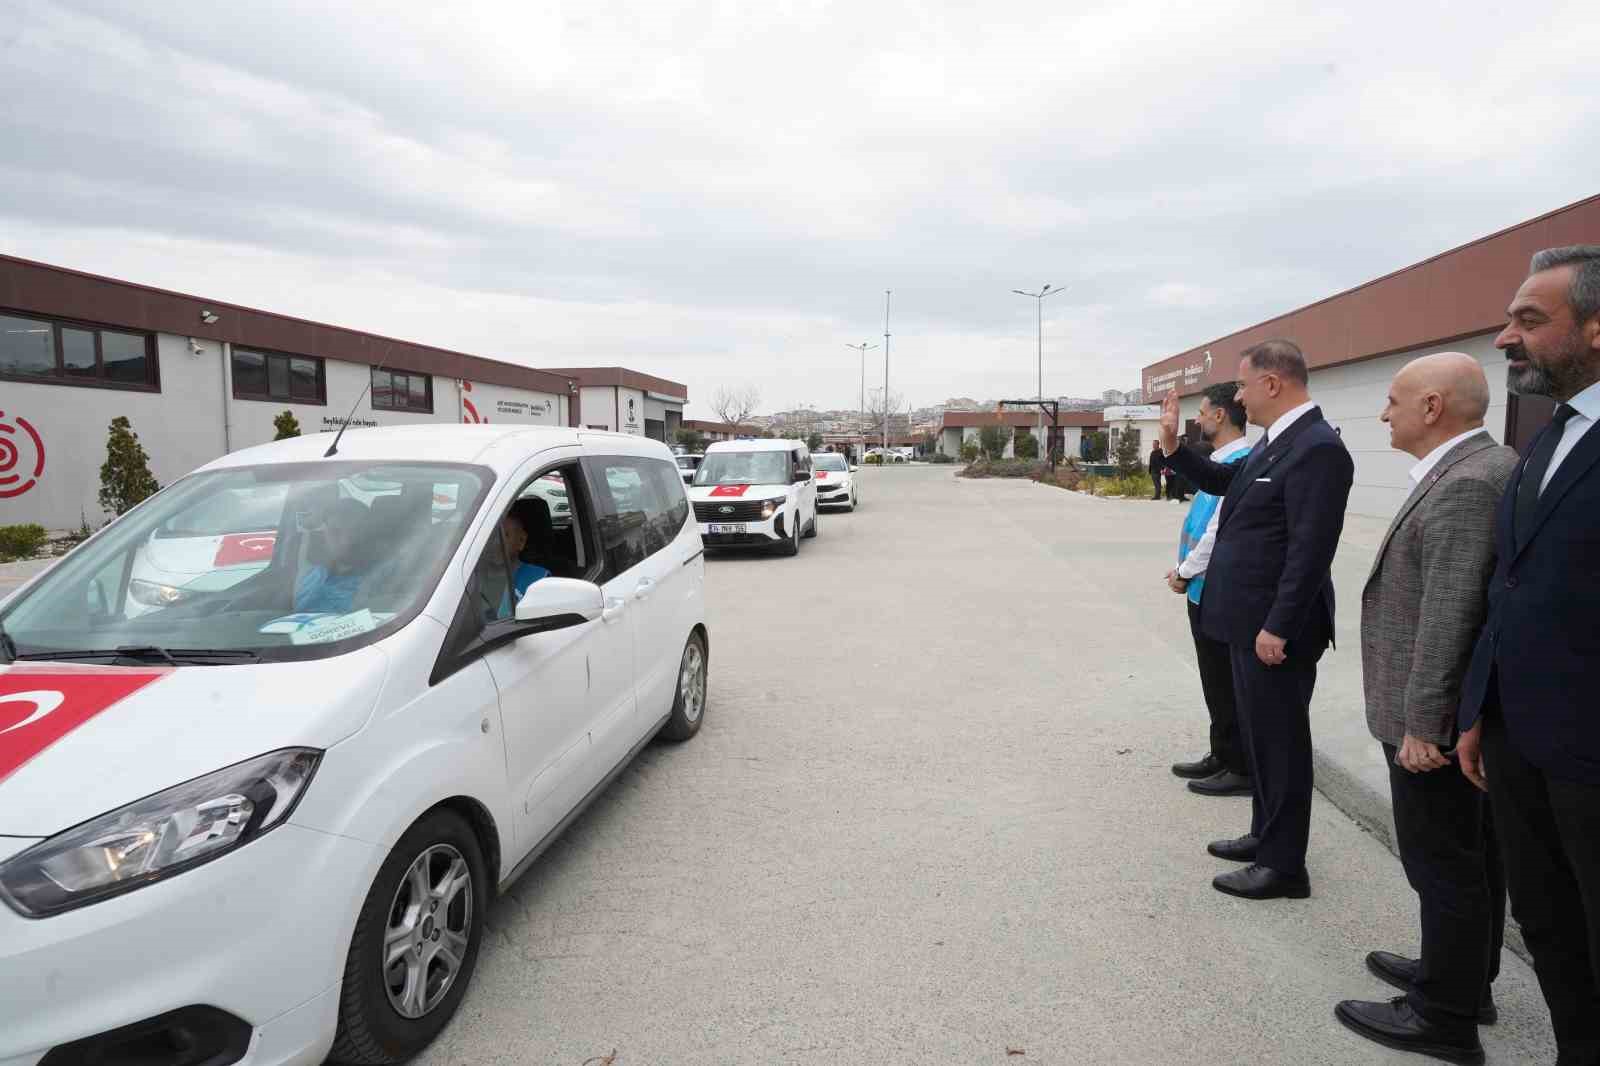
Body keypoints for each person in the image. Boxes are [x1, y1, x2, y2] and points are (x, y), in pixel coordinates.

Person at [1333, 353, 1516, 1063]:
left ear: (1433, 407)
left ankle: (1445, 1014)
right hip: (1440, 714)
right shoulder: (1471, 470)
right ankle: (1465, 978)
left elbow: (1450, 613)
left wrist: (1424, 725)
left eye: (1392, 401)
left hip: (1431, 725)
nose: (1384, 413)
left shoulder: (1468, 481)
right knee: (1471, 856)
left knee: (1442, 860)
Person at [1454, 246, 1600, 1065]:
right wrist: (1481, 709)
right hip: (1519, 741)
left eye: (1529, 320)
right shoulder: (1552, 437)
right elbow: (1512, 585)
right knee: (1548, 927)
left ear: (1596, 327)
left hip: (1589, 757)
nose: (1506, 338)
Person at [1159, 339, 1354, 900]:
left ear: (1273, 383)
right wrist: (1173, 448)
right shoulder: (1277, 443)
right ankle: (1266, 838)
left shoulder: (1317, 448)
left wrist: (1280, 625)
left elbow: (1310, 551)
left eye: (1243, 385)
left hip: (1275, 631)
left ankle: (1285, 866)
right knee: (1264, 741)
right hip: (1248, 624)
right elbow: (1226, 485)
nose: (1238, 397)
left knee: (1282, 747)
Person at [1166, 383, 1253, 798]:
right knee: (1214, 679)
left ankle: (1238, 763)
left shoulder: (1240, 462)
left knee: (1224, 680)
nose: (1197, 420)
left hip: (1214, 585)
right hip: (1203, 586)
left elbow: (1218, 532)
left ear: (1220, 415)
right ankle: (1222, 753)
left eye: (1202, 412)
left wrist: (1184, 570)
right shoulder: (1221, 460)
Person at [294, 499, 377, 614]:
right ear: (325, 534)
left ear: (367, 533)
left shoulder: (385, 578)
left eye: (355, 531)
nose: (345, 541)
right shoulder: (312, 574)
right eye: (335, 532)